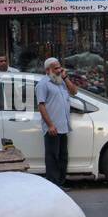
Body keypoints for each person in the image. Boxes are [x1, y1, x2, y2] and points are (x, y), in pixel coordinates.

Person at [36, 58, 77, 188]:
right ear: (48, 70)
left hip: (64, 126)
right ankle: (53, 185)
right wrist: (50, 125)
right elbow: (41, 106)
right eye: (56, 68)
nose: (59, 70)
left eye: (60, 67)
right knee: (52, 157)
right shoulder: (43, 84)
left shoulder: (61, 82)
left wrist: (65, 78)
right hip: (52, 128)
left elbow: (74, 92)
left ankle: (60, 183)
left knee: (63, 156)